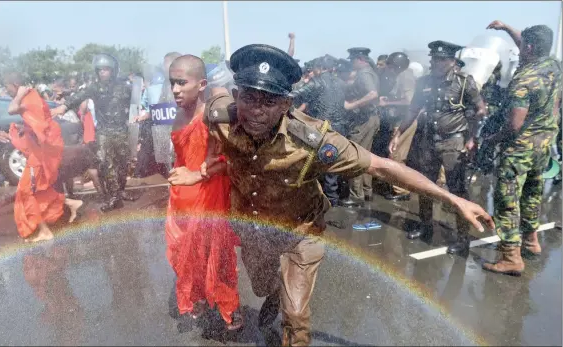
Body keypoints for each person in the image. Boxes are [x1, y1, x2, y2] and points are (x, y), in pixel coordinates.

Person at [174, 44, 494, 346]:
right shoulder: (221, 116)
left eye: (269, 101)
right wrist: (201, 171)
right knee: (262, 287)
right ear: (235, 95)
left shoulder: (314, 141)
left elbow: (383, 168)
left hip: (301, 230)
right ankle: (276, 294)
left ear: (286, 104)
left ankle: (288, 309)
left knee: (296, 314)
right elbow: (213, 113)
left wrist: (452, 199)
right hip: (256, 229)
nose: (256, 110)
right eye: (248, 97)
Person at [165, 55, 243, 330]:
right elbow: (181, 156)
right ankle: (197, 296)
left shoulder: (214, 116)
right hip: (181, 199)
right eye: (172, 82)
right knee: (183, 255)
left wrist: (198, 174)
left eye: (182, 83)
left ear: (202, 84)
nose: (175, 89)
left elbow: (230, 158)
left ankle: (228, 306)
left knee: (217, 254)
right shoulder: (178, 113)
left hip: (209, 196)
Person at [390, 41, 487, 256]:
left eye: (441, 59)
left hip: (453, 143)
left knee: (457, 190)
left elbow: (480, 110)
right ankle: (425, 226)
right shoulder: (424, 81)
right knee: (425, 186)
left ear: (452, 61)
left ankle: (462, 239)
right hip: (428, 141)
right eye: (433, 58)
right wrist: (398, 133)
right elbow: (413, 110)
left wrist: (473, 138)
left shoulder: (464, 83)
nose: (435, 62)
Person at [482, 21, 561, 275]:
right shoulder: (553, 66)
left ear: (528, 47)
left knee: (507, 199)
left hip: (520, 149)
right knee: (533, 192)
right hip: (544, 144)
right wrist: (506, 27)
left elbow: (514, 125)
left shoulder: (524, 80)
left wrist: (492, 138)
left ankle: (510, 257)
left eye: (522, 45)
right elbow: (526, 42)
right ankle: (531, 241)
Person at [51, 53, 140, 212]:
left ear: (113, 71)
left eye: (106, 69)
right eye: (99, 70)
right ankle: (114, 197)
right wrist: (63, 107)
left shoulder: (124, 86)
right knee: (106, 163)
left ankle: (120, 191)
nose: (102, 73)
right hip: (104, 132)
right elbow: (78, 97)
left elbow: (136, 104)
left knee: (122, 164)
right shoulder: (94, 87)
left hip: (122, 130)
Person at [4, 72, 83, 242]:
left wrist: (19, 93)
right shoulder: (30, 96)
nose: (5, 91)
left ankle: (44, 231)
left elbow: (11, 109)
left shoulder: (26, 97)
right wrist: (26, 128)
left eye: (7, 87)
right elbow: (39, 120)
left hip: (41, 154)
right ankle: (70, 203)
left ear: (15, 85)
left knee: (26, 192)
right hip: (42, 151)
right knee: (40, 188)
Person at [290, 56, 349, 206]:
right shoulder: (342, 83)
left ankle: (321, 200)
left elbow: (294, 95)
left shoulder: (317, 82)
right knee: (332, 161)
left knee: (312, 161)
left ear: (319, 68)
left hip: (322, 128)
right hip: (339, 127)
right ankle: (333, 199)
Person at [339, 47, 381, 207]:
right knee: (367, 157)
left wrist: (351, 105)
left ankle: (356, 196)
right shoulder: (369, 72)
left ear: (360, 59)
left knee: (356, 156)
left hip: (364, 120)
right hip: (370, 119)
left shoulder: (364, 74)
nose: (351, 63)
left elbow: (372, 94)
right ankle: (366, 191)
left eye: (353, 60)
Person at [382, 52, 417, 201]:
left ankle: (401, 191)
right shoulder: (402, 76)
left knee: (397, 155)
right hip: (401, 120)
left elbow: (410, 101)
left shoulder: (405, 77)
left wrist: (387, 103)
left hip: (405, 121)